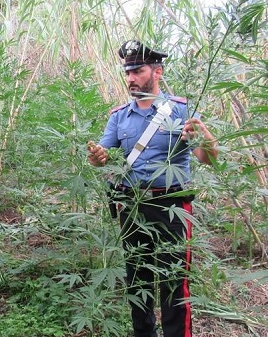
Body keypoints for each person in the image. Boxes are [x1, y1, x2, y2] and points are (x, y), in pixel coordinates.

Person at [87, 40, 218, 337]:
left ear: (157, 72)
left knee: (174, 281)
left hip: (173, 205)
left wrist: (207, 138)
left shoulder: (180, 110)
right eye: (127, 72)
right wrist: (97, 157)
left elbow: (207, 159)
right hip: (132, 206)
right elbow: (101, 157)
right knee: (138, 280)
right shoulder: (119, 116)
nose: (131, 78)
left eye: (137, 71)